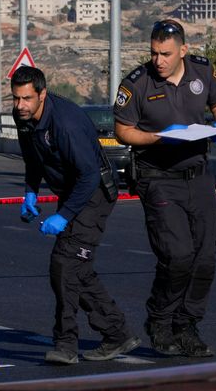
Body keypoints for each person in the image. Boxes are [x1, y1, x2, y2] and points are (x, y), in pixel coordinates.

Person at [113, 19, 216, 357]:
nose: (158, 60)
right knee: (178, 255)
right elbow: (123, 131)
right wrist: (158, 137)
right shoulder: (136, 84)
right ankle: (160, 320)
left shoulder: (202, 71)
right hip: (158, 178)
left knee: (206, 257)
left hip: (198, 175)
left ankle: (187, 325)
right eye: (154, 53)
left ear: (183, 50)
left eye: (166, 54)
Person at [12, 66, 140, 365]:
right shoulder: (25, 118)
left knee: (64, 265)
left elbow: (89, 176)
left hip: (93, 194)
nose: (20, 106)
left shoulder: (65, 123)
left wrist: (64, 216)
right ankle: (117, 333)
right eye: (16, 98)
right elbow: (33, 158)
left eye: (27, 99)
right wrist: (30, 191)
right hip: (71, 193)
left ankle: (66, 344)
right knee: (77, 270)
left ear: (42, 94)